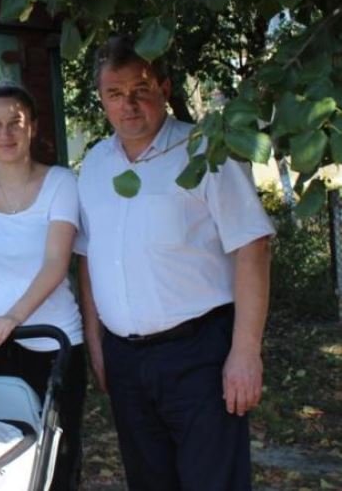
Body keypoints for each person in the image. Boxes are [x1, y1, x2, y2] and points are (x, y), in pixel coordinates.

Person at [76, 35, 274, 490]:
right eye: (114, 93)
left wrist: (245, 352)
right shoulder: (96, 165)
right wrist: (96, 344)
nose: (128, 105)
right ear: (101, 98)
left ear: (165, 89)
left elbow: (253, 246)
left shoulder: (205, 152)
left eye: (140, 90)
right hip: (125, 360)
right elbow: (88, 257)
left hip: (199, 354)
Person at [0, 80, 86, 490]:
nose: (5, 134)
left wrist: (13, 317)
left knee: (56, 458)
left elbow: (56, 262)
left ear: (32, 127)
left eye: (15, 123)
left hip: (52, 340)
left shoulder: (61, 183)